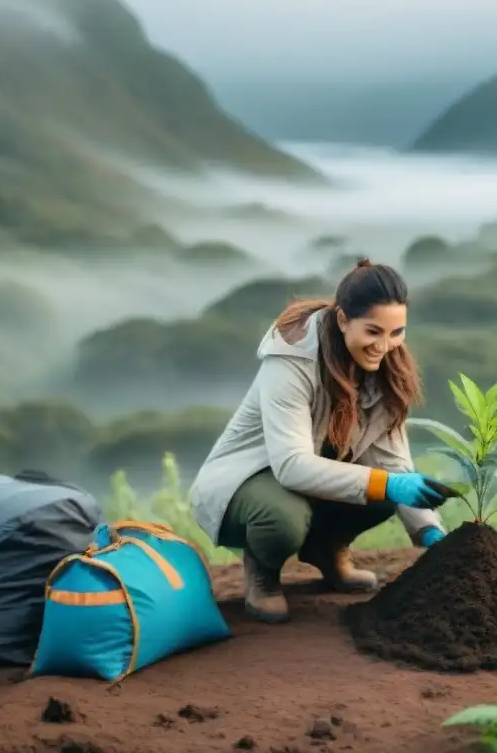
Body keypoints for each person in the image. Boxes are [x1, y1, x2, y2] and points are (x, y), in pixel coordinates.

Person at [189, 259, 460, 624]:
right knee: (283, 519)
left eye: (397, 332)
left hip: (309, 478)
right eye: (374, 331)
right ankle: (261, 572)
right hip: (252, 477)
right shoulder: (290, 360)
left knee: (385, 494)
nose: (385, 345)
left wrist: (430, 532)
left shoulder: (387, 369)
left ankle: (327, 551)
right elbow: (291, 466)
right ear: (343, 319)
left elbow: (393, 463)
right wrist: (388, 484)